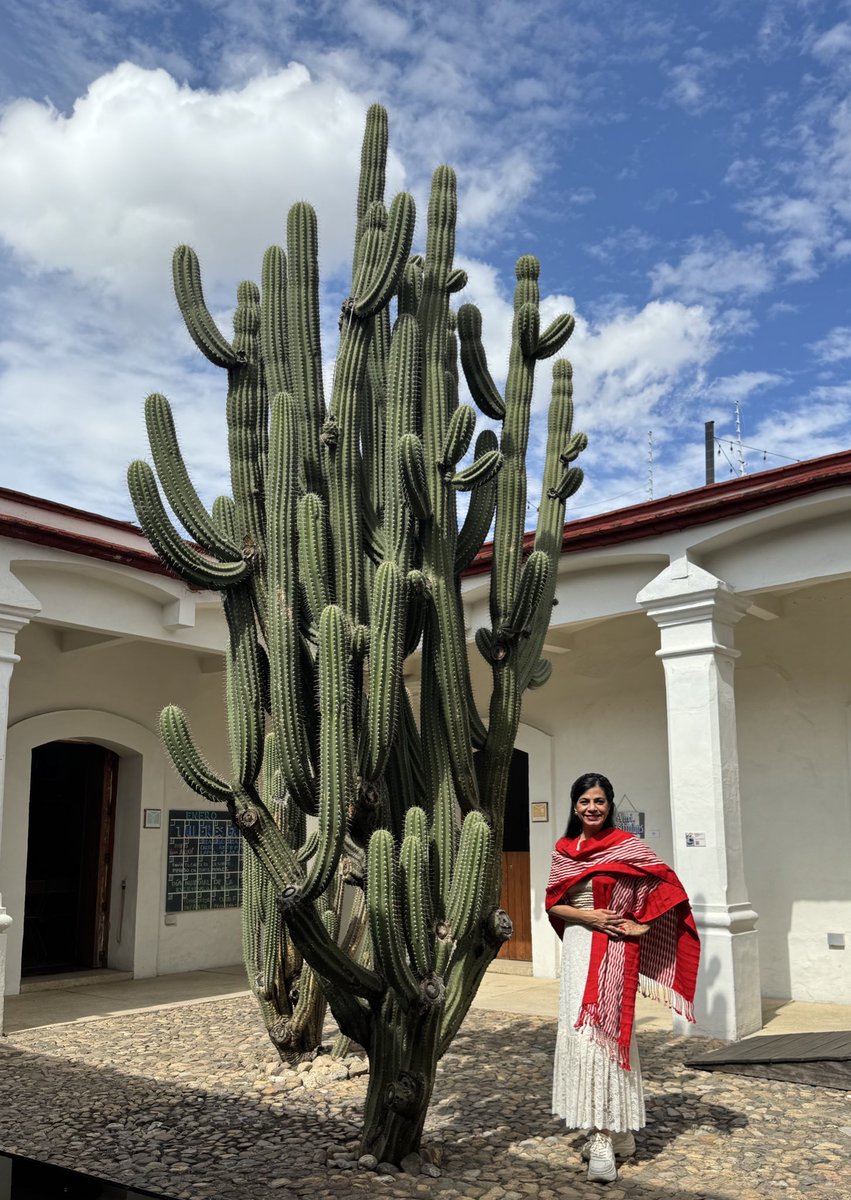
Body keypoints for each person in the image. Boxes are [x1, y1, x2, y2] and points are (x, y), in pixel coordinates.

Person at [546, 773, 700, 1184]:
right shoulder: (564, 850)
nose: (591, 808)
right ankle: (616, 1133)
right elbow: (554, 905)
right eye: (584, 802)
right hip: (579, 951)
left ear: (609, 805)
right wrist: (588, 916)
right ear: (574, 806)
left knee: (609, 1037)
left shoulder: (628, 847)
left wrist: (643, 927)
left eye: (598, 801)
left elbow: (667, 890)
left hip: (613, 953)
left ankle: (603, 1137)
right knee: (583, 1039)